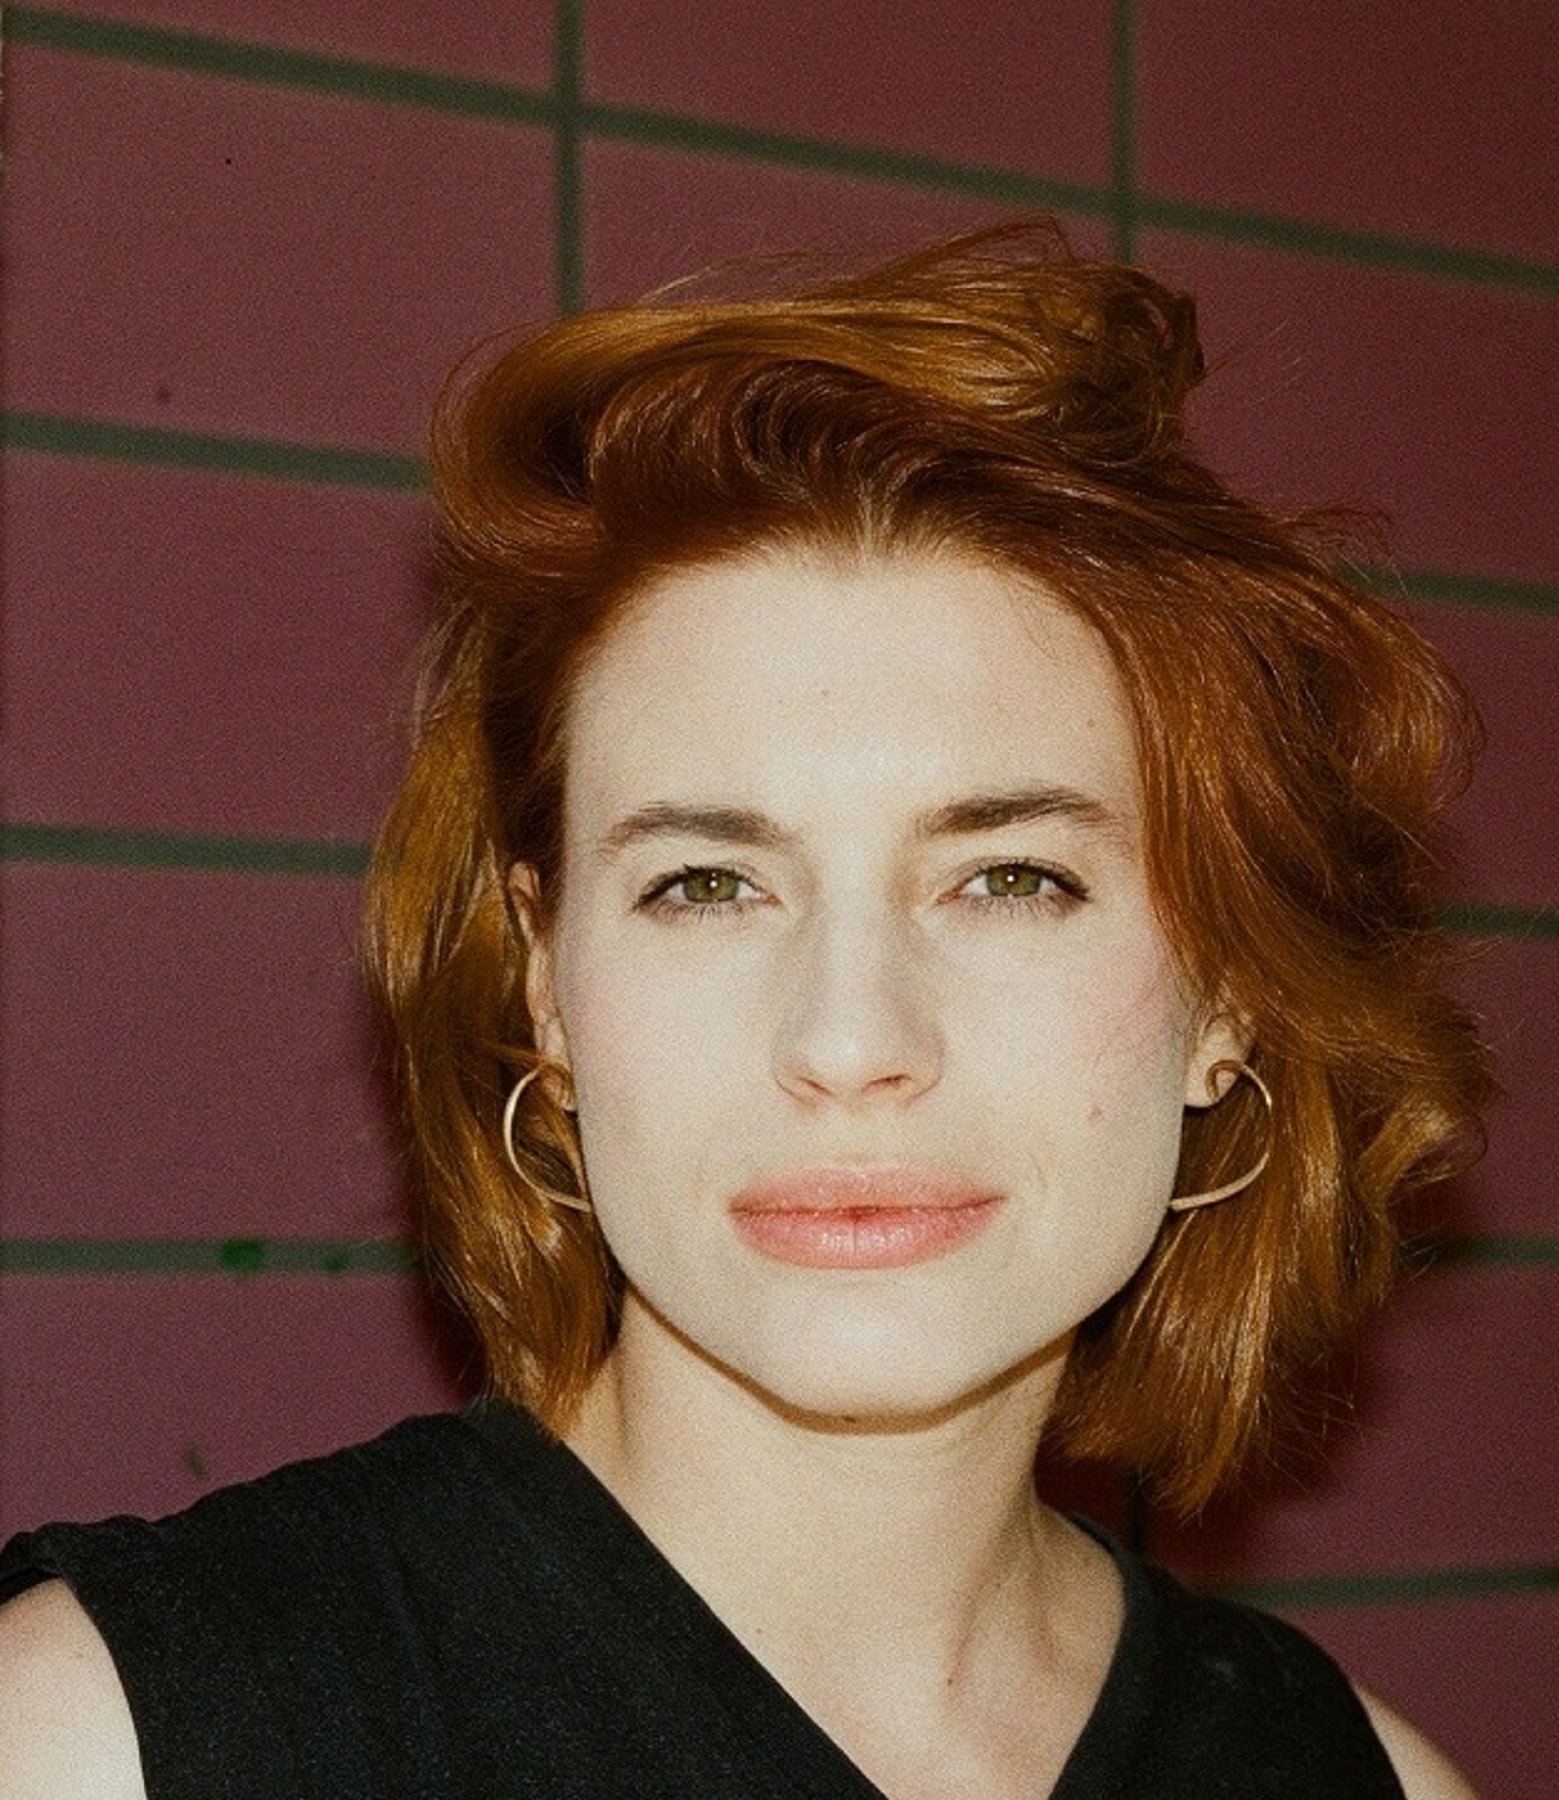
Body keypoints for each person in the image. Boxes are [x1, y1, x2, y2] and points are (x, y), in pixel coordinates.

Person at [0, 222, 1490, 1796]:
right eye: (708, 884)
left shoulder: (1363, 1780)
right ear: (544, 982)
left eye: (1010, 880)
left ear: (1231, 996)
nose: (849, 1042)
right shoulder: (100, 1740)